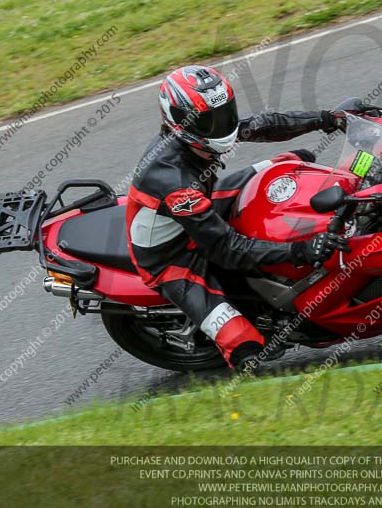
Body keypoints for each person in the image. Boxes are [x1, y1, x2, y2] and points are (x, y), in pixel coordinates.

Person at [125, 65, 350, 370]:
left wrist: (327, 119)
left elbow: (264, 125)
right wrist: (301, 251)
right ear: (180, 120)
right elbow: (226, 249)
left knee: (291, 163)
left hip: (200, 208)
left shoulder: (201, 134)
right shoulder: (173, 181)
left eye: (225, 114)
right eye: (210, 120)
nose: (223, 126)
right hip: (172, 257)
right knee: (249, 354)